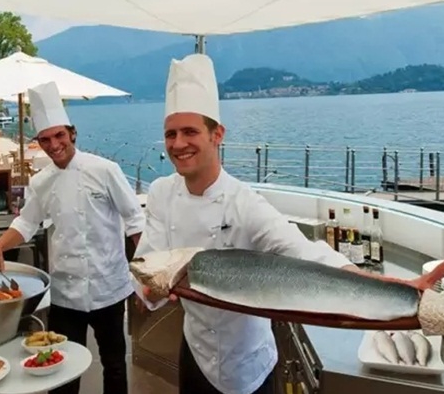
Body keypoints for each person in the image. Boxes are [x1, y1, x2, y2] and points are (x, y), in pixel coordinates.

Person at [133, 54, 385, 394]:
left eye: (190, 131)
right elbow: (149, 262)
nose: (178, 144)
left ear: (217, 134)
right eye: (171, 134)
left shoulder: (244, 203)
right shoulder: (162, 192)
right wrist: (149, 291)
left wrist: (387, 287)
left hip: (246, 365)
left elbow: (300, 250)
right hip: (194, 351)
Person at [0, 81, 145, 394]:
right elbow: (27, 223)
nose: (54, 145)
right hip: (66, 292)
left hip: (108, 288)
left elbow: (135, 221)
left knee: (113, 364)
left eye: (59, 136)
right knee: (60, 369)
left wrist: (149, 275)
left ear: (72, 133)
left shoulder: (105, 170)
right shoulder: (42, 181)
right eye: (45, 139)